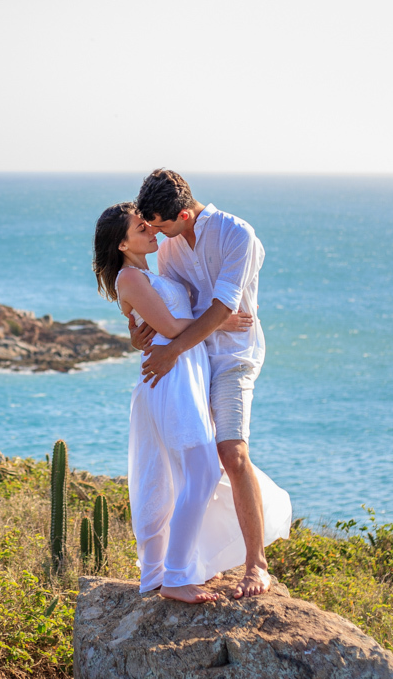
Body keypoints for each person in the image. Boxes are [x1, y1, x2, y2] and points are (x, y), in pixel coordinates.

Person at [92, 201, 291, 603]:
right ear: (121, 244)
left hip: (186, 373)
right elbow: (167, 327)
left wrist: (210, 319)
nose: (151, 231)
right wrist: (222, 318)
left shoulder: (148, 269)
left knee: (181, 476)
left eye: (150, 224)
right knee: (199, 471)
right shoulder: (130, 277)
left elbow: (163, 325)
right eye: (141, 227)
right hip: (171, 379)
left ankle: (163, 571)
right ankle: (176, 576)